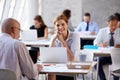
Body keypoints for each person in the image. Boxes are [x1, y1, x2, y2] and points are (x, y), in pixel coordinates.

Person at [48, 15, 76, 80]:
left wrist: (62, 41)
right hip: (57, 68)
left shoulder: (75, 36)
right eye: (57, 25)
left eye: (63, 24)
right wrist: (53, 40)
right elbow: (48, 58)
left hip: (69, 68)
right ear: (55, 27)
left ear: (67, 24)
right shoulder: (53, 38)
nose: (60, 27)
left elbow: (72, 59)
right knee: (50, 72)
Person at [94, 15, 120, 80]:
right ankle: (103, 79)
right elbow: (95, 43)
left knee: (116, 65)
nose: (114, 27)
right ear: (107, 23)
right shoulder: (102, 31)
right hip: (105, 56)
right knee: (95, 62)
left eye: (115, 25)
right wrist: (101, 45)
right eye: (111, 25)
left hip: (116, 57)